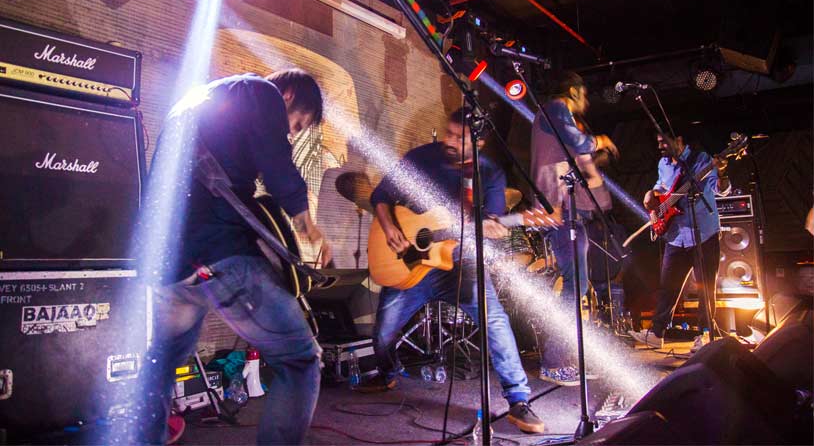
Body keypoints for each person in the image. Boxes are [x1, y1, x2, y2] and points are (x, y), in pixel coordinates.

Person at [139, 70, 332, 445]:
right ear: (289, 95)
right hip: (218, 252)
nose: (291, 134)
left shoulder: (194, 102)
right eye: (296, 124)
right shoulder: (260, 91)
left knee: (160, 363)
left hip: (168, 266)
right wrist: (308, 226)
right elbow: (277, 166)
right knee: (300, 359)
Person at [356, 107, 546, 434]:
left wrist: (493, 227)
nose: (450, 141)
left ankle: (518, 399)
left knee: (495, 322)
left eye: (459, 138)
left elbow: (491, 222)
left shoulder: (490, 174)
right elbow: (381, 196)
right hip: (411, 263)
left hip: (461, 266)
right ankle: (387, 374)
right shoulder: (421, 158)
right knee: (383, 333)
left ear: (479, 143)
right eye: (449, 133)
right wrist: (389, 228)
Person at [530, 71, 618, 386]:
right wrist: (601, 140)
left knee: (577, 285)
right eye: (585, 94)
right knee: (575, 285)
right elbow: (578, 141)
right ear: (573, 91)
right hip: (559, 211)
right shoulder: (556, 107)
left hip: (570, 211)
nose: (587, 102)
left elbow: (575, 158)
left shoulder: (555, 117)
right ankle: (554, 362)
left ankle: (563, 359)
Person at [629, 130, 731, 352]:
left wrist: (722, 173)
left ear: (678, 140)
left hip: (703, 233)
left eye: (663, 142)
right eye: (658, 142)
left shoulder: (701, 160)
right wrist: (652, 194)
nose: (660, 146)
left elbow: (720, 190)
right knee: (668, 287)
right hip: (676, 235)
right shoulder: (663, 164)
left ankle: (706, 334)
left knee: (705, 287)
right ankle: (657, 334)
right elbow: (662, 187)